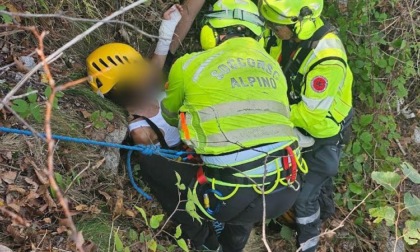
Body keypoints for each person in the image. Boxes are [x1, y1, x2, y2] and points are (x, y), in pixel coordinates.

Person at [161, 0, 308, 251]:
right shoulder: (274, 66)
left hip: (232, 195)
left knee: (157, 167)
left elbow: (170, 116)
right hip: (287, 186)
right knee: (244, 210)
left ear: (211, 31)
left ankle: (203, 242)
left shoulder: (187, 65)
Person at [85, 5, 223, 251]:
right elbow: (163, 172)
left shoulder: (152, 91)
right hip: (187, 165)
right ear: (123, 88)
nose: (147, 76)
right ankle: (208, 232)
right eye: (139, 76)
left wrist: (168, 24)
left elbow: (160, 56)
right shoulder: (140, 130)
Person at [258, 0, 354, 251]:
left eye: (276, 25)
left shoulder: (327, 59)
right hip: (296, 124)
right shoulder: (290, 37)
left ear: (299, 23)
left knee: (304, 198)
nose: (272, 29)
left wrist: (268, 111)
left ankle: (308, 243)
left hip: (321, 133)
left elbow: (311, 117)